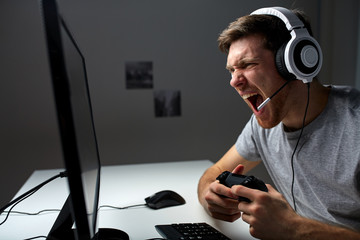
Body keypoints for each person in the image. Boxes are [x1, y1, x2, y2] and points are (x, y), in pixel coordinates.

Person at [197, 6, 360, 240]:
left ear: (296, 62)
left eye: (248, 64)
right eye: (232, 70)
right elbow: (213, 173)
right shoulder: (262, 124)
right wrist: (208, 195)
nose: (234, 81)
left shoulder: (355, 126)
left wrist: (293, 228)